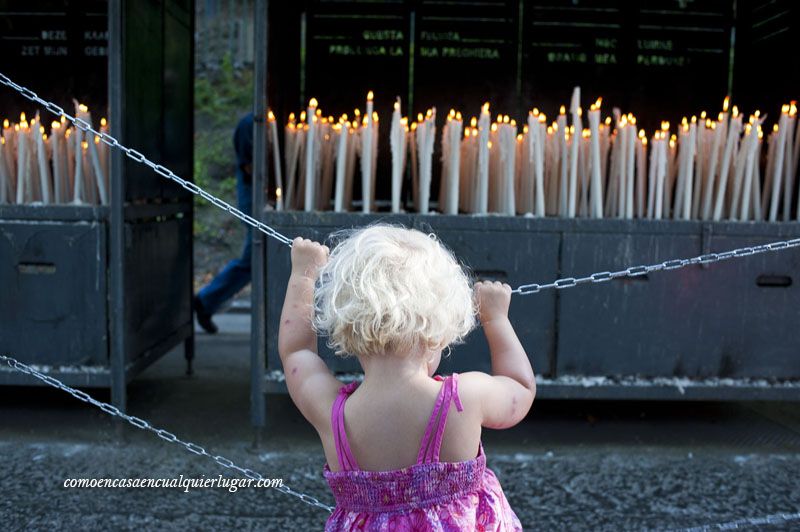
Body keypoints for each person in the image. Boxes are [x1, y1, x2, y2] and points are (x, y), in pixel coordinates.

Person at [278, 224, 534, 530]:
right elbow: (521, 388)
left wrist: (303, 274)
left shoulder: (330, 410)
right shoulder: (465, 397)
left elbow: (295, 353)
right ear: (440, 329)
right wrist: (496, 319)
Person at [195, 113, 255, 334]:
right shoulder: (249, 124)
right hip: (252, 198)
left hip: (255, 197)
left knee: (252, 262)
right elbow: (249, 166)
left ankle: (207, 300)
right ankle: (206, 300)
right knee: (252, 260)